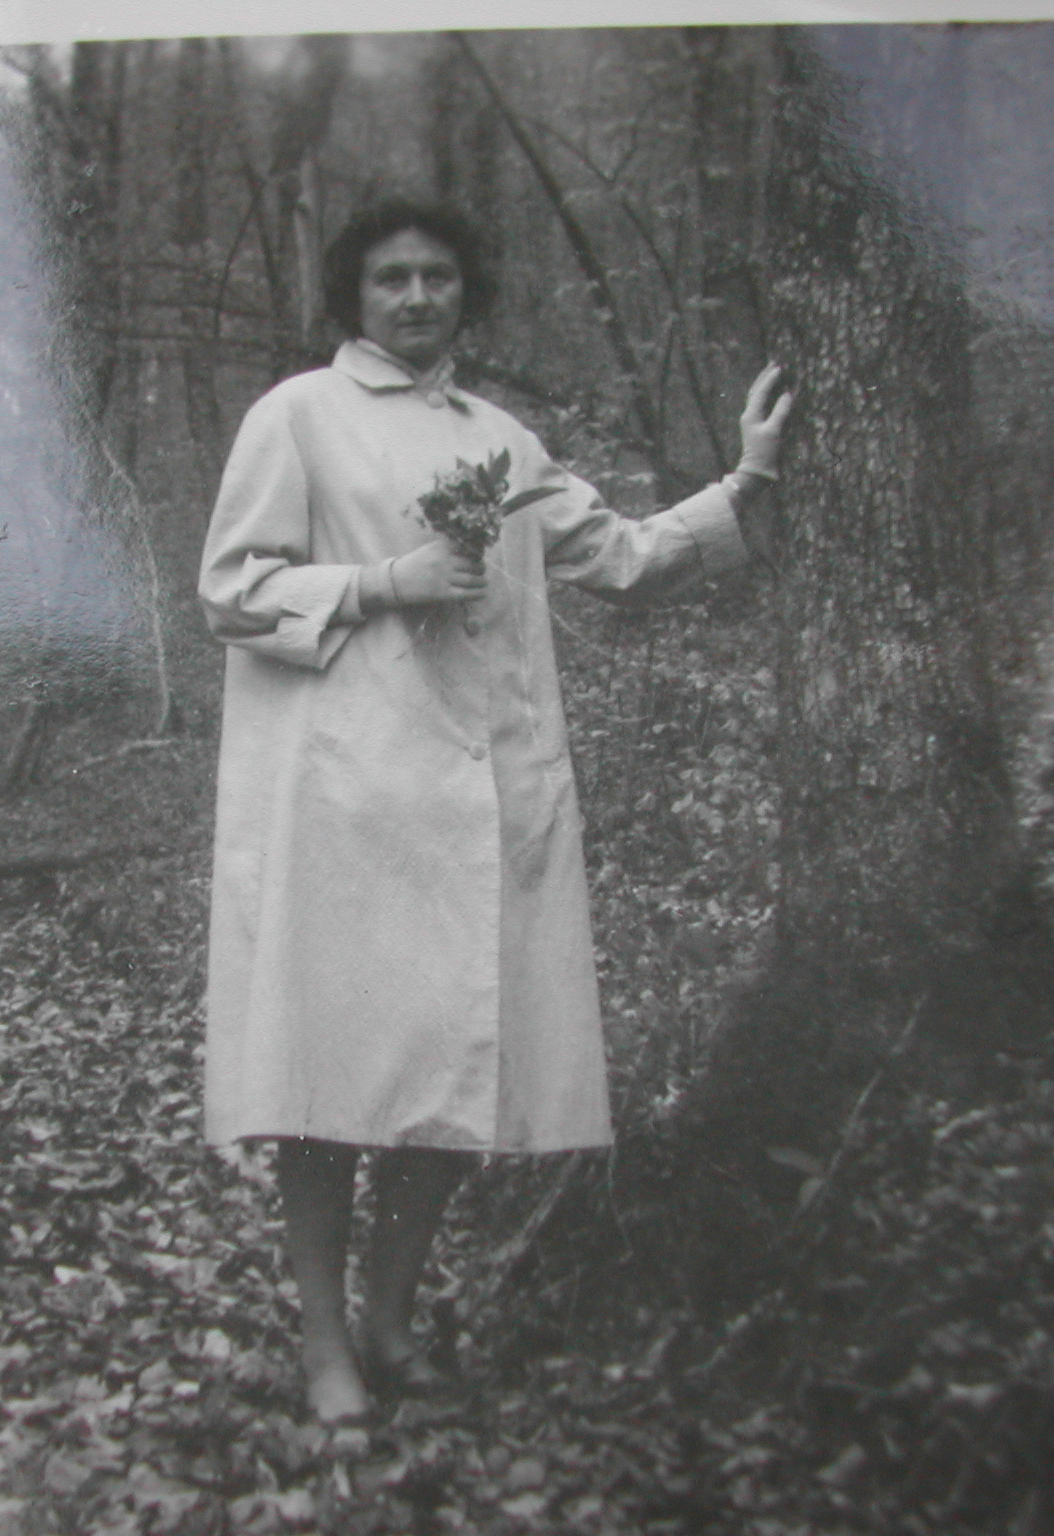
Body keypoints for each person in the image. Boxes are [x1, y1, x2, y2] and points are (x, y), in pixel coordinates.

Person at [196, 197, 793, 1425]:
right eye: (391, 279)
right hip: (344, 801)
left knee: (453, 1067)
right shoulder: (296, 415)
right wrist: (384, 580)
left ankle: (390, 1320)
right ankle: (323, 1345)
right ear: (352, 298)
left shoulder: (502, 440)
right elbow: (230, 593)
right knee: (326, 1082)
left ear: (464, 292)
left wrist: (746, 478)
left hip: (476, 810)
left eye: (436, 276)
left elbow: (622, 558)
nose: (417, 297)